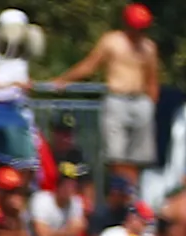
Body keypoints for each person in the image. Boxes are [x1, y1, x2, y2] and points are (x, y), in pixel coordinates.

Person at [54, 3, 165, 203]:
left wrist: (152, 104)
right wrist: (64, 80)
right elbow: (90, 65)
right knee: (116, 155)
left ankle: (133, 200)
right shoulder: (112, 41)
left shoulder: (148, 47)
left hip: (141, 101)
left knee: (138, 158)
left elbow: (152, 79)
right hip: (117, 99)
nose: (139, 31)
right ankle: (118, 197)